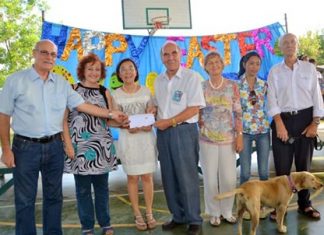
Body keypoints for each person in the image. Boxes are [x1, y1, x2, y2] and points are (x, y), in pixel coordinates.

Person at [0, 39, 127, 235]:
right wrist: (6, 150)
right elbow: (4, 115)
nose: (48, 57)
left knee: (54, 198)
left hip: (54, 147)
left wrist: (111, 114)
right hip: (25, 147)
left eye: (52, 54)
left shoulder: (61, 83)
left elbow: (83, 105)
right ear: (34, 53)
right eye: (44, 52)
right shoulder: (15, 80)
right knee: (25, 199)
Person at [267, 33, 324, 221]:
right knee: (283, 169)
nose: (290, 45)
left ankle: (305, 205)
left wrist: (315, 124)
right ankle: (278, 206)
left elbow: (317, 97)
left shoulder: (309, 69)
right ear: (281, 48)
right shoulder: (274, 71)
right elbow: (272, 99)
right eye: (286, 43)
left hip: (306, 119)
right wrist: (279, 123)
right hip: (282, 120)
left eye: (293, 42)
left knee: (303, 167)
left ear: (297, 46)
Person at [62, 53, 119, 235]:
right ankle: (87, 226)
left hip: (102, 148)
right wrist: (68, 145)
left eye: (97, 69)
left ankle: (105, 223)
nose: (94, 72)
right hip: (79, 148)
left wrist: (125, 121)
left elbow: (110, 120)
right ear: (82, 71)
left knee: (102, 189)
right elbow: (63, 121)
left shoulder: (105, 92)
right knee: (83, 191)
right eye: (90, 68)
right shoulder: (72, 89)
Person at [154, 40, 205, 235]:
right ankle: (178, 215)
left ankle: (194, 219)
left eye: (173, 53)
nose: (170, 58)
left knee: (187, 176)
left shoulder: (191, 77)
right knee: (169, 176)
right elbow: (158, 104)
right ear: (162, 58)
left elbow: (194, 108)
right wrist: (152, 108)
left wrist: (170, 121)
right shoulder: (159, 80)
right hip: (163, 133)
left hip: (183, 131)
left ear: (180, 55)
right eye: (166, 55)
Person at [112, 58, 158, 231]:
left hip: (146, 139)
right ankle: (137, 213)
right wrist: (124, 125)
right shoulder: (115, 94)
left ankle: (149, 212)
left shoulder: (146, 91)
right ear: (119, 74)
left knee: (147, 176)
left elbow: (152, 113)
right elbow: (114, 119)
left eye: (131, 68)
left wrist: (150, 120)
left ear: (136, 71)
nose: (128, 72)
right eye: (123, 69)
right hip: (129, 140)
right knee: (132, 177)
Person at [199, 51, 243, 227]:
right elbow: (197, 111)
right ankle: (214, 212)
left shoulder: (232, 86)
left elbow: (238, 113)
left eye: (217, 62)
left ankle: (226, 211)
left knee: (228, 178)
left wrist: (239, 136)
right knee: (210, 178)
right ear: (205, 67)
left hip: (228, 139)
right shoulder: (201, 86)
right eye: (210, 63)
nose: (214, 65)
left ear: (222, 65)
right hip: (206, 139)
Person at [238, 51, 270, 184]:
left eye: (258, 64)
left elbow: (270, 104)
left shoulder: (264, 85)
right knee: (245, 173)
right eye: (251, 63)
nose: (254, 67)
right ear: (244, 64)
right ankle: (242, 202)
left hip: (263, 131)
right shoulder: (236, 85)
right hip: (244, 132)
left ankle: (263, 202)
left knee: (264, 172)